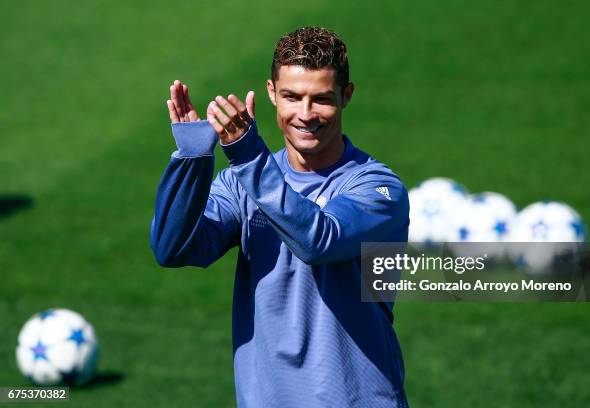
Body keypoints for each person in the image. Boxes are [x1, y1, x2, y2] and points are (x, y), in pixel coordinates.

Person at [151, 26, 410, 408]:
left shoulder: (377, 189)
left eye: (321, 99)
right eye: (292, 97)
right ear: (272, 93)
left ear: (347, 96)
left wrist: (247, 155)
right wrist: (193, 158)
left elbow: (319, 240)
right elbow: (172, 249)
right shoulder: (242, 185)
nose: (305, 115)